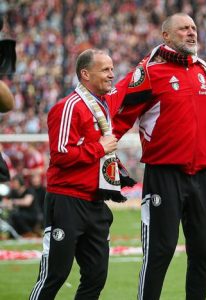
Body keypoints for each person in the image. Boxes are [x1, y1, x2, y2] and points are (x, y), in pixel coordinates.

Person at [112, 13, 206, 300]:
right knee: (160, 251)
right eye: (184, 28)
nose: (192, 32)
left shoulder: (202, 72)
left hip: (205, 176)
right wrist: (103, 149)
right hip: (165, 174)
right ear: (166, 36)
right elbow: (122, 119)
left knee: (203, 252)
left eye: (194, 27)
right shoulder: (149, 74)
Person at [29, 48, 127, 299]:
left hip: (95, 203)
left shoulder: (101, 107)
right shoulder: (68, 107)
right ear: (85, 74)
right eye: (105, 69)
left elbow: (126, 87)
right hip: (67, 201)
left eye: (112, 69)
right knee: (54, 275)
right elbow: (61, 155)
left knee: (96, 276)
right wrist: (100, 148)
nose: (111, 74)